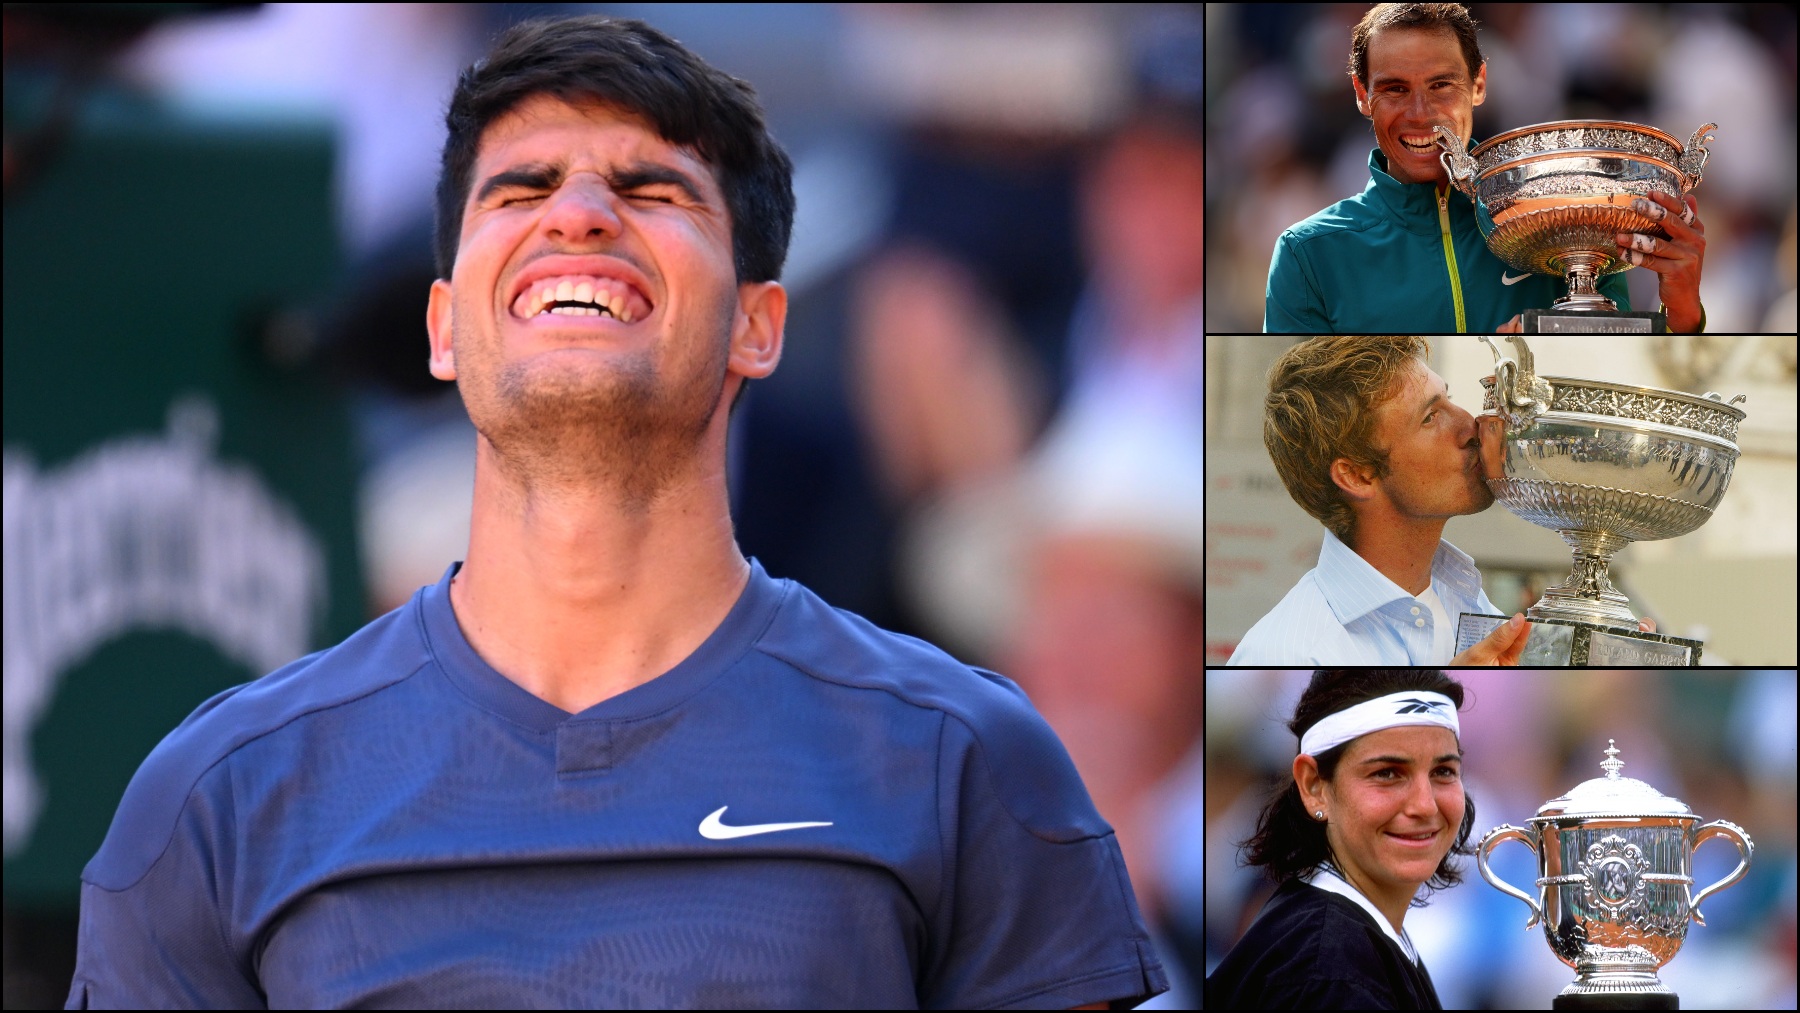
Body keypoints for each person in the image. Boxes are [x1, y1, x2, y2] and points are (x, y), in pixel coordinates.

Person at [65, 16, 1167, 1009]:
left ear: (758, 327)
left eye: (651, 190)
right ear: (443, 329)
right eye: (521, 187)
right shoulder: (219, 796)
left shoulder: (965, 759)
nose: (579, 216)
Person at [1264, 2, 1707, 334]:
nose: (1420, 114)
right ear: (1363, 95)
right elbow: (1313, 412)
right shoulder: (1309, 255)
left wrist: (1684, 313)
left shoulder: (1567, 209)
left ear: (1478, 84)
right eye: (1395, 89)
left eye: (1441, 86)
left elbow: (1617, 378)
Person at [1226, 336, 1653, 665]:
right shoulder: (1286, 654)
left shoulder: (1464, 598)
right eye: (1431, 417)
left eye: (1448, 397)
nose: (1470, 426)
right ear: (1357, 475)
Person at [1205, 669, 1473, 1009]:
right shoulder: (1329, 976)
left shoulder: (1338, 945)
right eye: (1387, 773)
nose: (1424, 804)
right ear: (1314, 786)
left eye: (1443, 771)